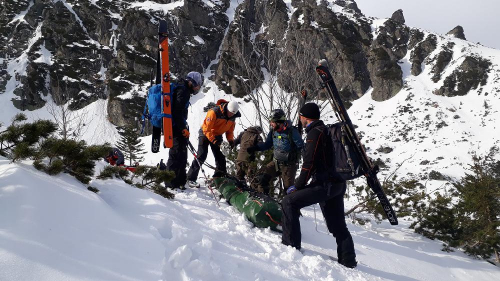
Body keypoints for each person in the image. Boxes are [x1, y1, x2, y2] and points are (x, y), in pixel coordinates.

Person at [281, 103, 357, 268]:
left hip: (324, 185)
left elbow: (308, 164)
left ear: (305, 117)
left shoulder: (314, 134)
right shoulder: (326, 130)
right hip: (337, 184)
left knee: (289, 202)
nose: (299, 119)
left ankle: (290, 247)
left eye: (300, 116)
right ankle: (348, 261)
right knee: (338, 226)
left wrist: (298, 186)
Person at [247, 109, 303, 196]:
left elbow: (301, 146)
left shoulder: (292, 131)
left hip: (289, 165)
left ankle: (288, 207)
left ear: (278, 122)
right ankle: (263, 199)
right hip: (276, 162)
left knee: (288, 190)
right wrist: (255, 148)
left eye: (272, 122)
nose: (271, 124)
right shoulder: (273, 132)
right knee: (261, 177)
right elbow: (267, 145)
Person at [186, 99, 241, 187]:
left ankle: (218, 179)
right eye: (230, 112)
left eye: (233, 114)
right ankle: (191, 178)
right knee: (202, 155)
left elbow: (229, 131)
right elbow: (207, 129)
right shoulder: (214, 112)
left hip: (218, 135)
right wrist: (215, 141)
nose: (231, 115)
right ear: (227, 108)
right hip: (205, 133)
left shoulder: (233, 117)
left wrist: (231, 141)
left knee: (221, 158)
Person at [164, 71, 203, 190]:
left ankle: (180, 180)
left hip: (177, 126)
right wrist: (182, 128)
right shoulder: (183, 91)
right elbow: (176, 112)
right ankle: (170, 182)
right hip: (175, 127)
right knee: (175, 153)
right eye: (197, 85)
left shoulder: (182, 88)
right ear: (191, 82)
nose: (197, 88)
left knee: (181, 153)